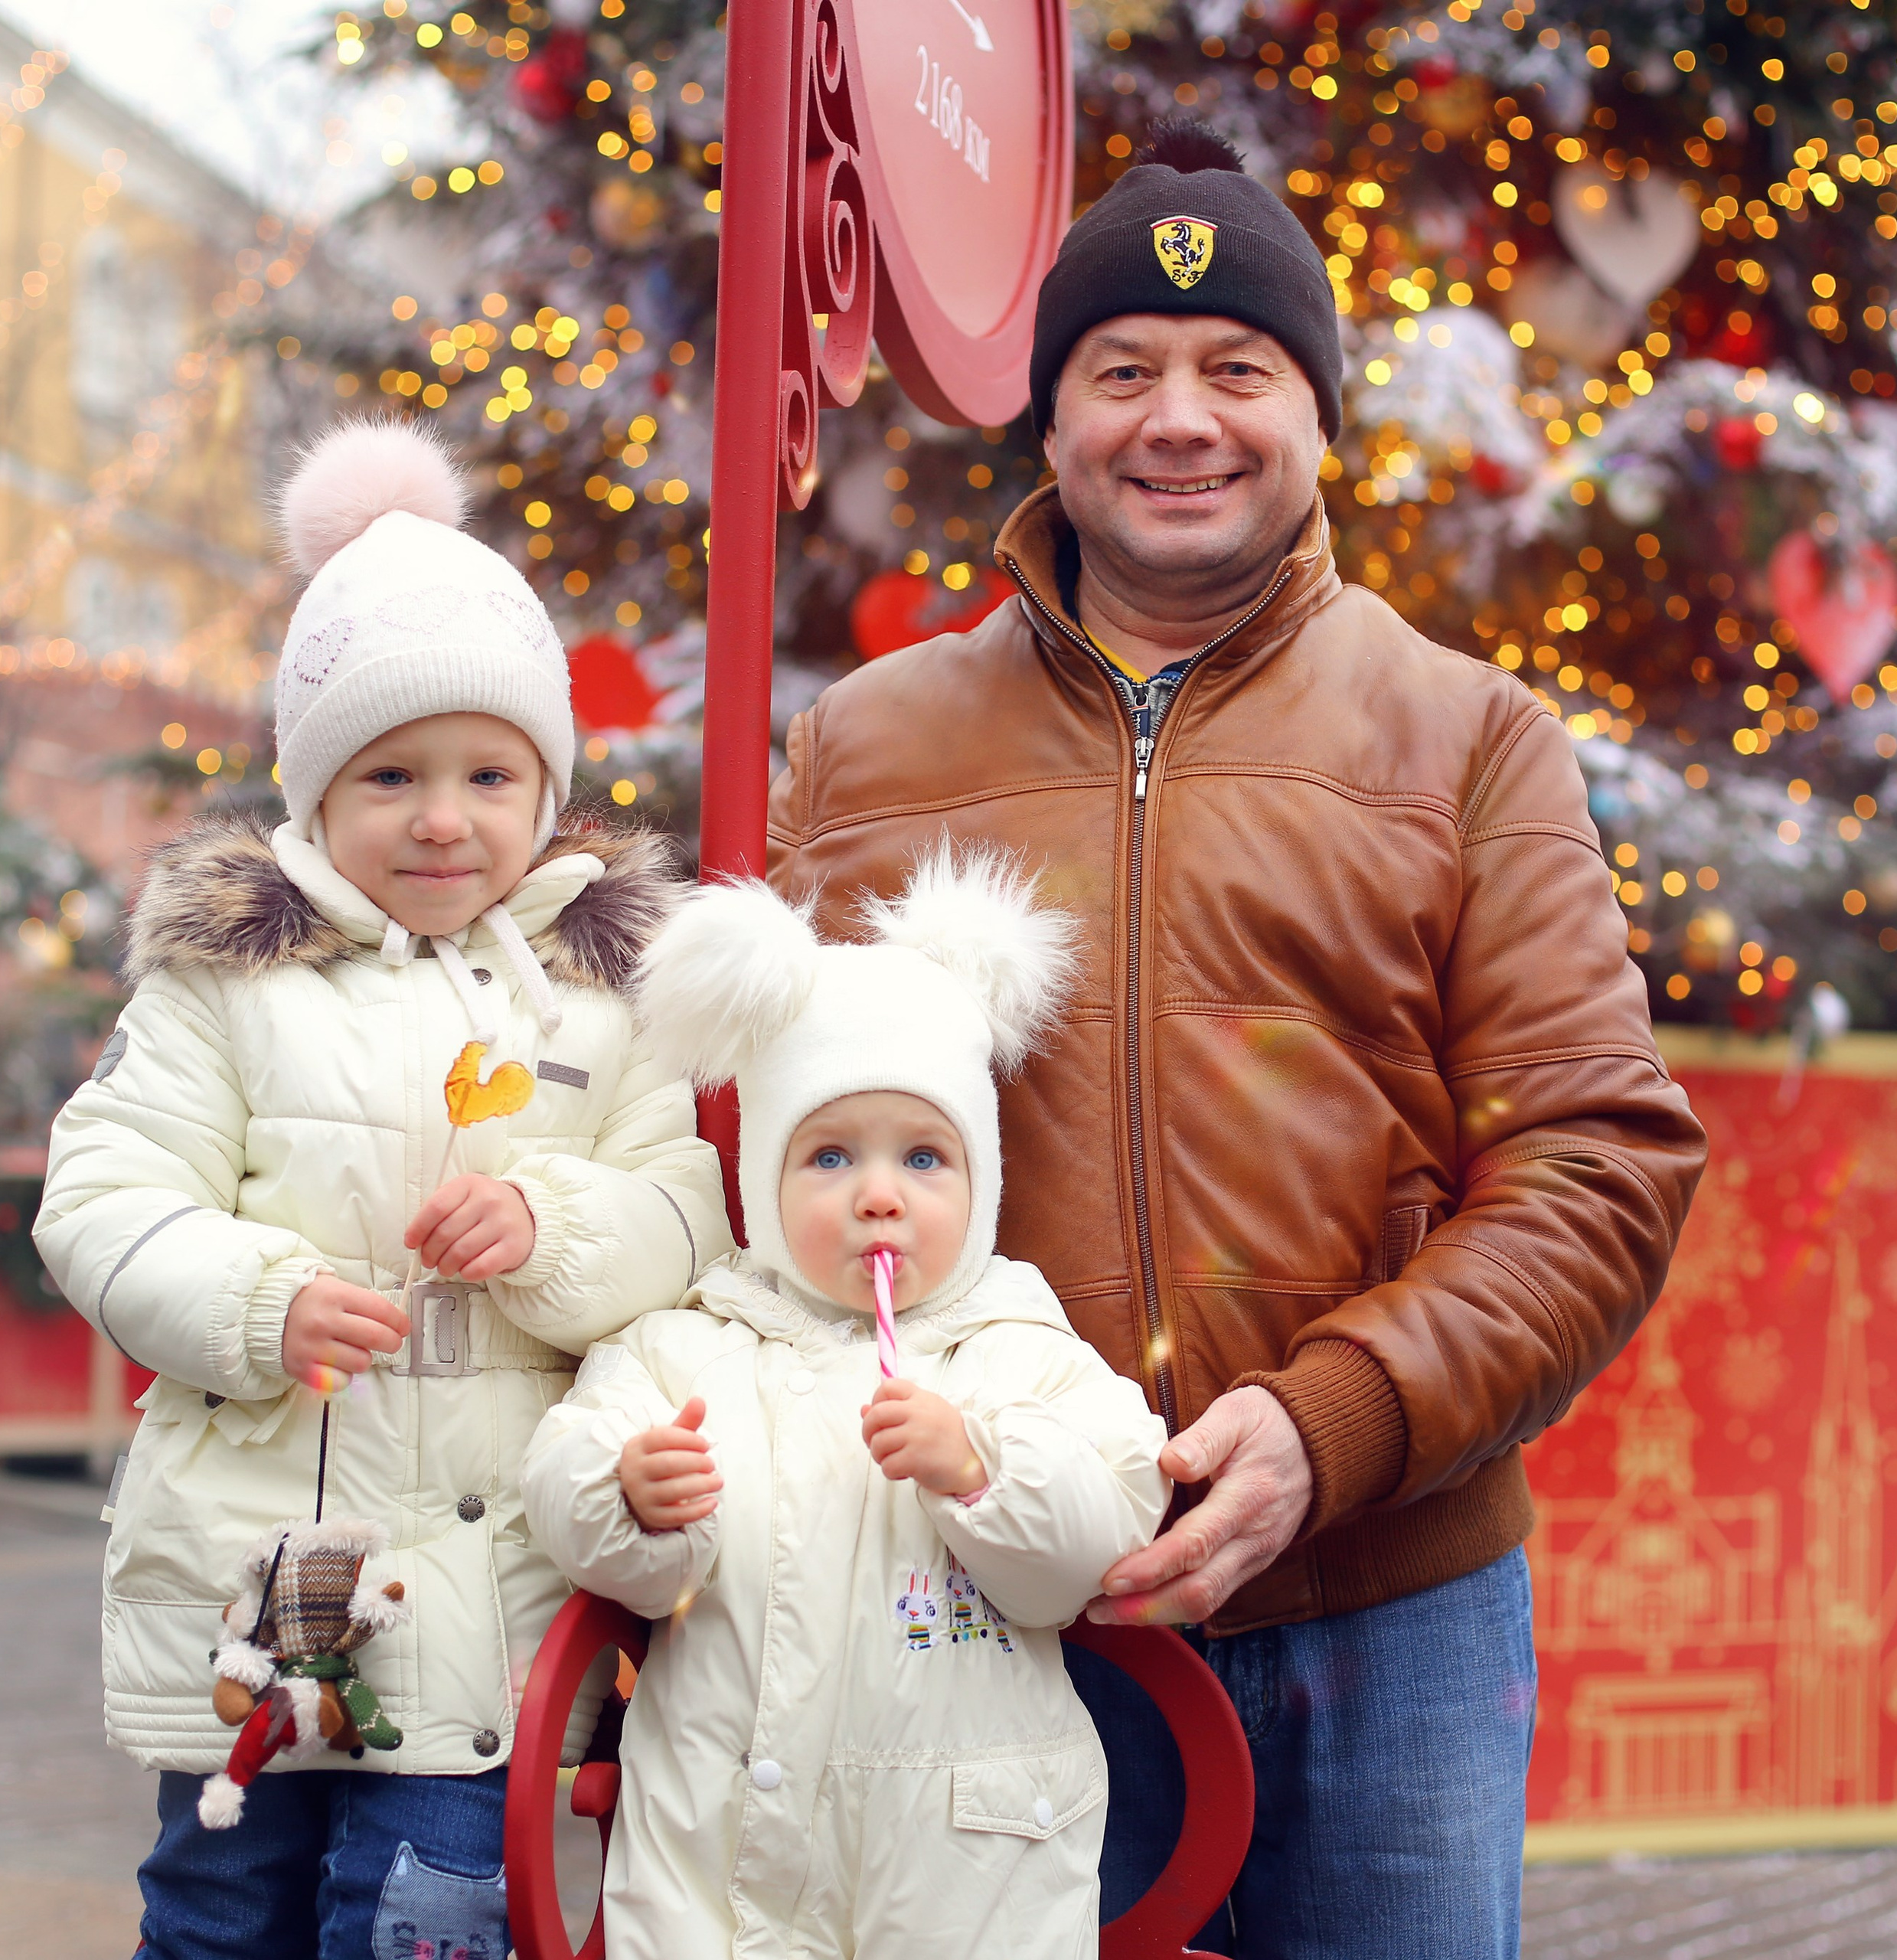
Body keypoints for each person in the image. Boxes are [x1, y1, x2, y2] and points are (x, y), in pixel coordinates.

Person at [764, 121, 1709, 1956]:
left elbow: (1594, 1158)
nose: (1173, 417)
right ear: (1049, 425)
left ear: (1316, 419)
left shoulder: (1468, 737)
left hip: (1387, 1604)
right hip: (988, 1600)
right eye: (1118, 370)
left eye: (1234, 369)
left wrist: (1324, 1419)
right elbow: (765, 1155)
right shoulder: (870, 749)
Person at [33, 419, 733, 1960]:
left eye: (490, 772)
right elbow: (102, 1191)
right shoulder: (230, 980)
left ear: (545, 785)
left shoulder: (602, 998)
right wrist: (255, 1296)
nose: (442, 815)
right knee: (219, 1910)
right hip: (264, 1582)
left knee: (423, 1919)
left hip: (484, 1591)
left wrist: (552, 1228)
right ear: (310, 790)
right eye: (391, 773)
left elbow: (685, 1216)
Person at [521, 849, 1171, 1960]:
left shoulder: (1016, 1347)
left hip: (971, 1881)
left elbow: (1109, 1528)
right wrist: (630, 1497)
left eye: (925, 1157)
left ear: (983, 1185)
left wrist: (983, 1469)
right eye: (828, 1157)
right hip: (714, 1875)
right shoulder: (686, 1346)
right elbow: (568, 1487)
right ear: (764, 1186)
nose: (880, 1194)